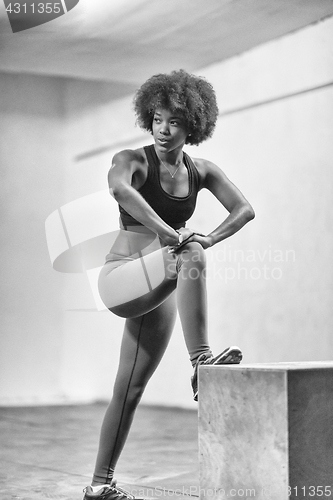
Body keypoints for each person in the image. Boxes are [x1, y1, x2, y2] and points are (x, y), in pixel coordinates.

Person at [82, 69, 255, 500]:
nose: (163, 130)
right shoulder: (132, 160)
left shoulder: (203, 171)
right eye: (157, 119)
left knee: (131, 389)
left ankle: (99, 485)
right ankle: (201, 363)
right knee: (189, 251)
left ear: (192, 126)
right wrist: (171, 233)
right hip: (121, 278)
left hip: (159, 278)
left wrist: (208, 236)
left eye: (174, 122)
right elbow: (120, 191)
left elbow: (245, 209)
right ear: (148, 118)